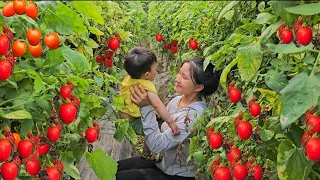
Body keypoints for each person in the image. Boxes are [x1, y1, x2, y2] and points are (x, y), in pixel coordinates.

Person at [116, 57, 221, 180]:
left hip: (176, 175)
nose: (177, 78)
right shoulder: (177, 100)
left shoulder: (194, 117)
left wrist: (146, 107)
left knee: (117, 177)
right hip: (161, 162)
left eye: (184, 77)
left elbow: (156, 145)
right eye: (179, 73)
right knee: (114, 168)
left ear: (198, 87)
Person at [119, 47, 180, 159]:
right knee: (152, 129)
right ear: (147, 75)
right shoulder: (147, 85)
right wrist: (171, 122)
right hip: (133, 122)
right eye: (156, 69)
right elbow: (158, 105)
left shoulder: (127, 79)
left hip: (121, 117)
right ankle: (146, 154)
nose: (157, 71)